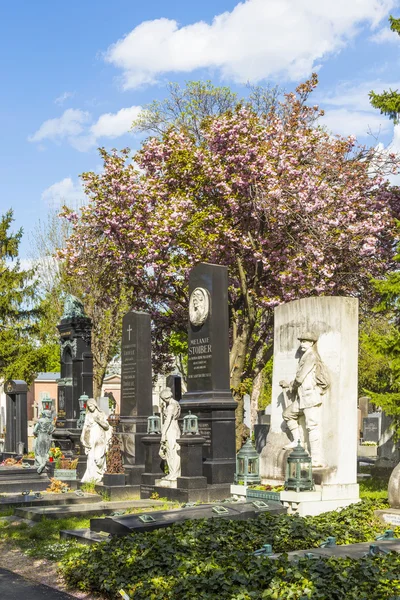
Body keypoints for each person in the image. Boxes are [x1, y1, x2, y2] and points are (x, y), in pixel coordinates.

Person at [281, 331, 330, 467]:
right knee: (287, 414)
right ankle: (298, 443)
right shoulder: (305, 356)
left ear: (312, 343)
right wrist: (289, 385)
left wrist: (291, 386)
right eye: (301, 341)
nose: (302, 343)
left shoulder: (311, 356)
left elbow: (300, 377)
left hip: (310, 397)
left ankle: (316, 459)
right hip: (302, 398)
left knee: (312, 427)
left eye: (305, 341)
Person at [80, 398, 112, 483]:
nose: (90, 408)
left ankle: (100, 473)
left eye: (91, 406)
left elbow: (107, 426)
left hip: (99, 438)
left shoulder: (101, 414)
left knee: (98, 458)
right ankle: (92, 477)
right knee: (91, 458)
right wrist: (83, 438)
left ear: (95, 405)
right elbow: (85, 427)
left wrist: (98, 421)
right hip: (91, 438)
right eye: (89, 406)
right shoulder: (88, 415)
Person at [159, 388, 181, 480]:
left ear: (165, 398)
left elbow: (167, 421)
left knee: (172, 452)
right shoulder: (176, 404)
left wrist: (163, 434)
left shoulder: (171, 406)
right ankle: (173, 473)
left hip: (170, 430)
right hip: (175, 429)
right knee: (171, 452)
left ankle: (174, 474)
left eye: (163, 399)